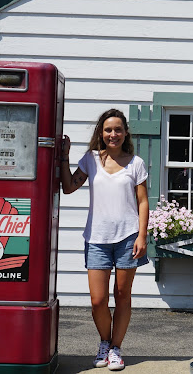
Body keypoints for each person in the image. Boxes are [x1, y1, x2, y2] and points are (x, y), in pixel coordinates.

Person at [61, 108, 149, 371]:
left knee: (123, 295)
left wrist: (142, 235)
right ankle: (104, 342)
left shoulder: (136, 163)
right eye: (109, 129)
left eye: (118, 129)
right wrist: (64, 157)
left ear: (125, 133)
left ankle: (115, 350)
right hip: (97, 238)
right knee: (98, 300)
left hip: (128, 238)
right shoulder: (90, 160)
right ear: (101, 132)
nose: (113, 134)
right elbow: (68, 187)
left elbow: (143, 202)